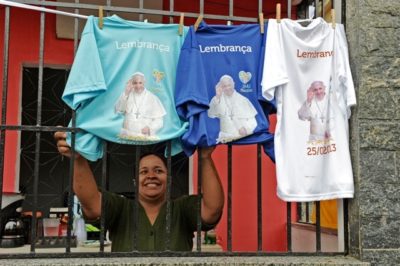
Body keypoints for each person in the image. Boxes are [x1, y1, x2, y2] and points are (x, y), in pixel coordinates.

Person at [54, 131, 224, 252]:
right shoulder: (121, 208)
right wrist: (77, 158)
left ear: (169, 179)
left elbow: (212, 209)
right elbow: (91, 203)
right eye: (144, 172)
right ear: (135, 182)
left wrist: (205, 158)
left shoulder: (182, 209)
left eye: (158, 170)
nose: (151, 176)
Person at [115, 72, 166, 140]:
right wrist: (126, 93)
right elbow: (119, 110)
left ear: (144, 82)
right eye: (135, 83)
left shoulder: (152, 98)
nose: (138, 86)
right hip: (127, 135)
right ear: (132, 83)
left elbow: (159, 120)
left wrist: (150, 128)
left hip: (144, 137)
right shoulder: (127, 95)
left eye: (140, 83)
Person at [207, 75, 258, 144]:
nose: (227, 88)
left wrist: (246, 129)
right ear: (221, 87)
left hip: (241, 138)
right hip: (225, 138)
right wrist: (217, 97)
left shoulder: (243, 100)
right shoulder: (217, 99)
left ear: (233, 84)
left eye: (229, 85)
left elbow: (253, 122)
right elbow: (210, 114)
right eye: (224, 86)